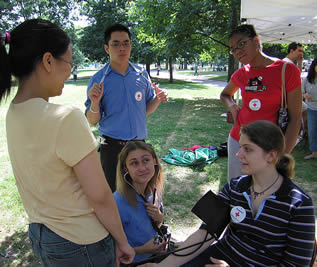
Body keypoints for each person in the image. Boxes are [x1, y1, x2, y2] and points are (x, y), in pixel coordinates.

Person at [0, 19, 135, 266]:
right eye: (69, 63)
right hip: (82, 243)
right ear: (48, 61)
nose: (70, 71)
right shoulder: (65, 118)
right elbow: (100, 196)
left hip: (42, 237)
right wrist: (122, 241)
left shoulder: (14, 111)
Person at [141, 120, 316, 267]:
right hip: (218, 257)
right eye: (240, 147)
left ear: (271, 156)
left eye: (247, 149)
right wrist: (162, 266)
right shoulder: (234, 187)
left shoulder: (299, 204)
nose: (238, 154)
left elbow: (295, 264)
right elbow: (205, 234)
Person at [84, 23, 168, 192]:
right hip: (113, 147)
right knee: (115, 194)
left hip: (139, 146)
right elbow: (92, 120)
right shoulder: (99, 79)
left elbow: (144, 110)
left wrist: (157, 99)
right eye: (116, 44)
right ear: (107, 48)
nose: (122, 48)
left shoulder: (141, 74)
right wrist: (94, 103)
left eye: (126, 43)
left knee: (143, 190)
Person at [220, 24, 302, 180]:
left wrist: (282, 156)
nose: (238, 51)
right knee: (238, 191)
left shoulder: (287, 70)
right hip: (239, 140)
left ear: (256, 40)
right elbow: (225, 94)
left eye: (242, 44)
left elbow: (295, 119)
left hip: (268, 146)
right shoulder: (242, 73)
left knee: (265, 193)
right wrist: (231, 106)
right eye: (233, 49)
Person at [114, 141, 168, 263]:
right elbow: (111, 249)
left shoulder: (153, 191)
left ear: (154, 161)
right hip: (135, 262)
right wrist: (142, 250)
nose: (142, 168)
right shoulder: (118, 203)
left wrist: (159, 219)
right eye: (134, 163)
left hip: (156, 256)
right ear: (125, 169)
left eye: (146, 160)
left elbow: (154, 226)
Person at [283, 42, 308, 136]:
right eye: (299, 51)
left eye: (302, 51)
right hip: (288, 98)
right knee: (305, 110)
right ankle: (301, 132)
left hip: (291, 96)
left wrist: (300, 63)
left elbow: (297, 75)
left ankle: (301, 132)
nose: (301, 53)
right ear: (291, 51)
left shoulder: (291, 63)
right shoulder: (286, 63)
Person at [302, 58, 317, 160]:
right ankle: (314, 153)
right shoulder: (306, 79)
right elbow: (301, 92)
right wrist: (305, 95)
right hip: (312, 109)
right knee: (312, 130)